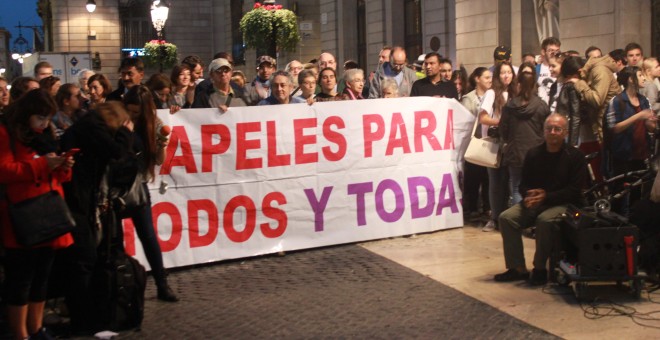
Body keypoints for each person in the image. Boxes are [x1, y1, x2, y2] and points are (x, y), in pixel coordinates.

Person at [0, 89, 75, 340]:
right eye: (40, 119)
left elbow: (57, 176)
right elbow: (4, 170)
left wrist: (64, 167)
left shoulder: (47, 135)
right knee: (21, 278)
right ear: (27, 115)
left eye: (47, 119)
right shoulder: (6, 133)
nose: (45, 124)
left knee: (42, 277)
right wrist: (43, 164)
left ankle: (36, 327)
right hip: (22, 214)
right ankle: (20, 333)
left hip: (48, 210)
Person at [60, 101, 135, 334]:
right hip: (77, 202)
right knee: (84, 259)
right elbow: (117, 153)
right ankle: (82, 320)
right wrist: (125, 133)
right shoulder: (93, 128)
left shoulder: (88, 126)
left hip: (81, 200)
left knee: (86, 258)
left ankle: (84, 316)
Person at [494, 113, 587, 286]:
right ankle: (517, 268)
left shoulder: (575, 156)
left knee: (544, 220)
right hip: (536, 202)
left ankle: (539, 269)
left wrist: (546, 196)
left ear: (565, 132)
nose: (552, 132)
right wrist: (528, 195)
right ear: (543, 131)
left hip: (563, 204)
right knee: (507, 218)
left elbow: (575, 190)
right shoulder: (534, 154)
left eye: (557, 129)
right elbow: (523, 183)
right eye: (549, 128)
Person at [123, 85, 178, 301]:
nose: (132, 115)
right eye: (129, 110)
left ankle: (161, 283)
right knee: (114, 236)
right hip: (116, 185)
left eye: (136, 112)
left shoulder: (154, 124)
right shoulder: (118, 119)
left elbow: (159, 161)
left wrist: (162, 145)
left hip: (138, 185)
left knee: (147, 235)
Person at [604, 66, 657, 215]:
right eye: (640, 75)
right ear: (630, 79)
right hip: (622, 155)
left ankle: (635, 226)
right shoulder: (617, 101)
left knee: (637, 195)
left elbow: (649, 128)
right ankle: (615, 226)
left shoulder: (644, 100)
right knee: (618, 194)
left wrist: (651, 122)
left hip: (640, 154)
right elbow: (613, 127)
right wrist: (638, 116)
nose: (644, 78)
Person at [500, 70, 550, 206]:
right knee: (535, 189)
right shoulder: (541, 106)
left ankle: (518, 220)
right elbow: (546, 129)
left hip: (515, 152)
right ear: (534, 85)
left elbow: (503, 130)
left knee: (516, 188)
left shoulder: (509, 107)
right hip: (537, 153)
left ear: (519, 85)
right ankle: (532, 220)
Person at [478, 61, 516, 232]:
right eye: (503, 73)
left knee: (511, 182)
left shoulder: (516, 93)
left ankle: (508, 218)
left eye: (509, 72)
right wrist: (502, 122)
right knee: (495, 182)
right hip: (494, 142)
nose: (506, 75)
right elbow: (483, 118)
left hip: (512, 142)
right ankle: (494, 218)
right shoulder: (492, 93)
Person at [570, 49, 625, 143]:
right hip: (606, 122)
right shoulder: (597, 70)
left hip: (608, 124)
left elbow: (597, 100)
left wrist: (579, 83)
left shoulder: (600, 71)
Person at [460, 67, 492, 221]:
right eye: (486, 77)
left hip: (489, 142)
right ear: (477, 79)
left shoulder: (492, 95)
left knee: (487, 178)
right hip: (474, 142)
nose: (490, 80)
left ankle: (487, 207)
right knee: (473, 177)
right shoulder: (468, 98)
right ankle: (472, 208)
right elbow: (466, 121)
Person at [555, 56, 587, 147]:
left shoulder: (569, 86)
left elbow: (575, 116)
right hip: (577, 133)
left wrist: (573, 143)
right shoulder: (573, 86)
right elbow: (575, 115)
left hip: (572, 133)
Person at [536, 37, 561, 105]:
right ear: (543, 52)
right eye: (551, 50)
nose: (554, 53)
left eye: (557, 51)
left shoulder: (562, 68)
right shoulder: (536, 70)